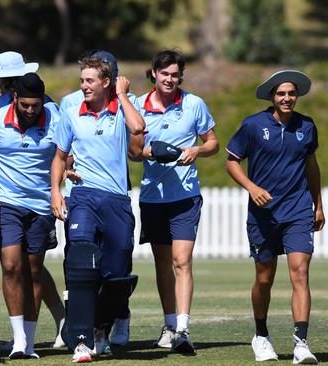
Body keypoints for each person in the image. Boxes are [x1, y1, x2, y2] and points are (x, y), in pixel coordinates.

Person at [50, 54, 145, 363]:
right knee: (80, 259)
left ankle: (101, 328)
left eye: (90, 81)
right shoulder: (72, 111)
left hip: (116, 199)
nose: (83, 86)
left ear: (107, 82)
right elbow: (60, 155)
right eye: (82, 80)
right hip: (83, 196)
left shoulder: (124, 106)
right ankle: (80, 339)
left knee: (117, 273)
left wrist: (120, 95)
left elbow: (139, 127)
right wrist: (57, 187)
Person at [225, 70, 323, 364]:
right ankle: (261, 335)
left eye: (291, 93)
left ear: (297, 96)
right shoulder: (253, 125)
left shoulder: (307, 126)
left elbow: (312, 167)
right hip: (263, 215)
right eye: (281, 93)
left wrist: (317, 205)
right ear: (272, 96)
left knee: (300, 273)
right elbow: (231, 163)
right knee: (264, 278)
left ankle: (301, 344)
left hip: (298, 210)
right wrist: (252, 187)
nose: (287, 98)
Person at [136, 50, 218, 353]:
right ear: (154, 74)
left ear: (179, 76)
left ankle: (183, 328)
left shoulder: (194, 104)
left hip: (185, 197)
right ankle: (169, 324)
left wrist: (197, 150)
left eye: (174, 74)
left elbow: (213, 143)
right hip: (152, 198)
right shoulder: (137, 106)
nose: (170, 79)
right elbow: (132, 150)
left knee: (182, 261)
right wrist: (153, 152)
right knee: (162, 265)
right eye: (164, 74)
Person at [0, 72, 58, 359]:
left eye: (35, 106)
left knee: (33, 270)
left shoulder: (55, 119)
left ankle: (31, 341)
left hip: (40, 206)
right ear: (15, 99)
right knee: (11, 265)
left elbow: (64, 154)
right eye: (25, 105)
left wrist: (63, 177)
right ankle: (18, 341)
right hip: (4, 202)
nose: (29, 111)